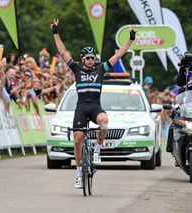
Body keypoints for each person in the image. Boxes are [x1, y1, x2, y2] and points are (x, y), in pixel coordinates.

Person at [51, 18, 136, 189]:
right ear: (83, 59)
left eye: (93, 57)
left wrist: (131, 39)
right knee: (77, 140)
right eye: (88, 58)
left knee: (104, 122)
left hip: (95, 107)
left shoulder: (101, 69)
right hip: (81, 108)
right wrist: (55, 33)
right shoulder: (76, 68)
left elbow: (119, 55)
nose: (91, 60)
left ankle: (97, 150)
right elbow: (63, 52)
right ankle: (78, 175)